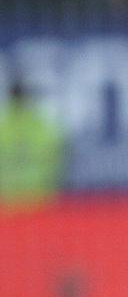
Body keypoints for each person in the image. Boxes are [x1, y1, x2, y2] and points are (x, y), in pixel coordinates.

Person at [0, 78, 64, 206]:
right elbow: (56, 159)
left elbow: (56, 159)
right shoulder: (42, 128)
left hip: (16, 199)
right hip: (35, 197)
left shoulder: (4, 126)